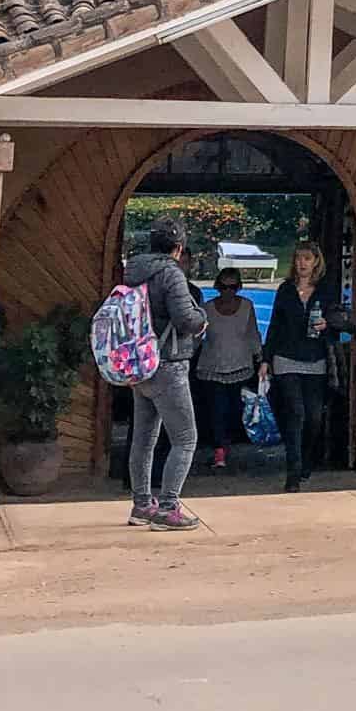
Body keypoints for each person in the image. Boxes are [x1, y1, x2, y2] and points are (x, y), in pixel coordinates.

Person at [121, 217, 209, 530]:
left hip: (139, 363)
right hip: (168, 363)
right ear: (178, 248)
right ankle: (169, 508)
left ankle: (142, 504)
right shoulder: (170, 273)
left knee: (143, 439)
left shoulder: (133, 270)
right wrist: (202, 316)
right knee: (185, 438)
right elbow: (186, 318)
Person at [263, 243, 345, 491]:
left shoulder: (326, 291)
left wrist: (327, 326)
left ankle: (307, 459)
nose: (302, 263)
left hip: (315, 359)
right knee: (295, 413)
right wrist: (266, 360)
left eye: (307, 259)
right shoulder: (285, 290)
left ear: (316, 262)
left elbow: (341, 324)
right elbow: (274, 326)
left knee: (314, 418)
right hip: (286, 358)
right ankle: (293, 471)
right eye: (299, 258)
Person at [192, 266, 264, 473]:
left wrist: (261, 358)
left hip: (241, 366)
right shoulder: (206, 309)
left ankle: (227, 444)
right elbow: (197, 338)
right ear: (217, 287)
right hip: (212, 367)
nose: (228, 291)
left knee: (234, 410)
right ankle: (219, 450)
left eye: (232, 287)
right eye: (223, 287)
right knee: (216, 411)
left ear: (238, 287)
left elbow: (253, 333)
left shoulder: (247, 306)